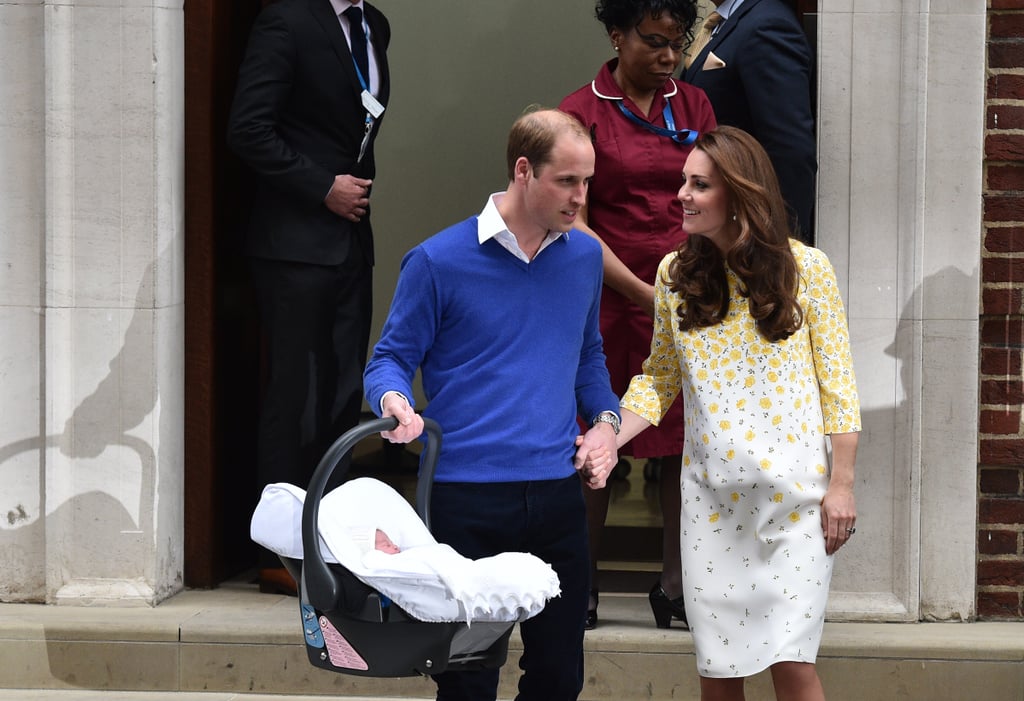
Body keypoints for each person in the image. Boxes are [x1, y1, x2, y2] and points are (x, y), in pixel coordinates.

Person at [591, 126, 860, 700]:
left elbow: (838, 386)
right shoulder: (673, 275)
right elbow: (659, 378)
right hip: (712, 506)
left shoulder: (807, 268)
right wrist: (611, 434)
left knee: (792, 663)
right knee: (721, 671)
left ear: (739, 195)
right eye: (683, 182)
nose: (682, 195)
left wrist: (842, 484)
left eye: (699, 185)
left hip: (798, 504)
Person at [363, 108, 621, 701]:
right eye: (567, 181)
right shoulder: (437, 260)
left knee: (559, 676)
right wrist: (397, 404)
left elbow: (587, 360)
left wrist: (605, 425)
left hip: (557, 495)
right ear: (524, 171)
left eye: (588, 182)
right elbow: (389, 359)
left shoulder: (582, 257)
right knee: (467, 682)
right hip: (464, 500)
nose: (581, 197)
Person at [559, 0, 716, 631]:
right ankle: (582, 585)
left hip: (688, 295)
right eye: (653, 42)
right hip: (606, 298)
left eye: (676, 44)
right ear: (617, 36)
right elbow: (575, 218)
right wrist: (642, 292)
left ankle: (675, 587)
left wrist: (682, 288)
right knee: (598, 440)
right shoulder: (581, 109)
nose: (668, 57)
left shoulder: (695, 105)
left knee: (686, 443)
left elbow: (713, 193)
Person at [226, 0, 391, 595]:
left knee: (344, 394)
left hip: (350, 243)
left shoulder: (376, 26)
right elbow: (248, 128)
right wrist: (322, 188)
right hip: (293, 243)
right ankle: (279, 550)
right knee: (294, 393)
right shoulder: (286, 19)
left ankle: (330, 544)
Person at [681, 0, 817, 243]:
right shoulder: (724, 23)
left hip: (751, 235)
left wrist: (784, 243)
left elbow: (789, 149)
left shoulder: (768, 24)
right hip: (715, 227)